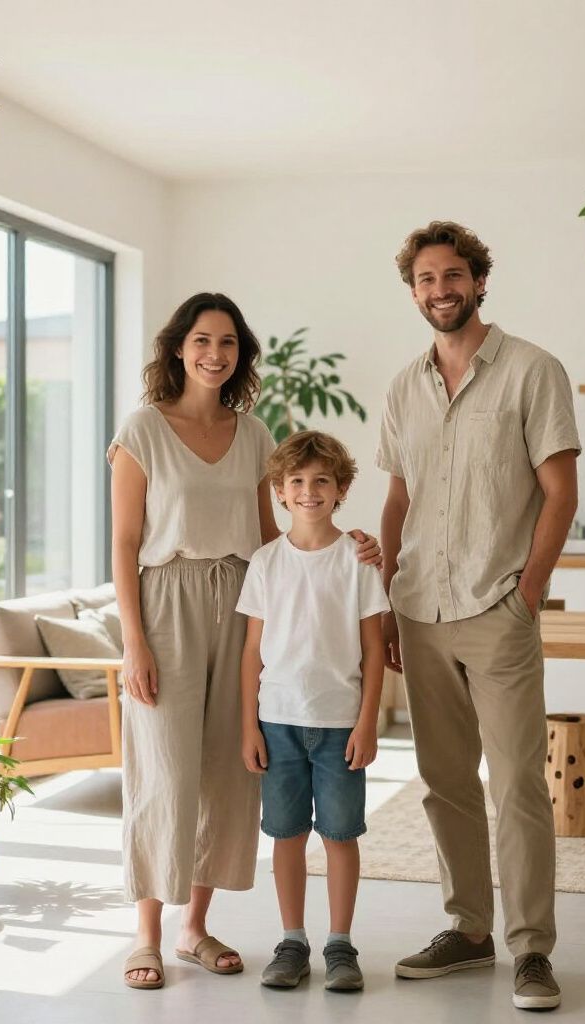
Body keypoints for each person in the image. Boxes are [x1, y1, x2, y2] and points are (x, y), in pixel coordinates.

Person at [110, 294, 379, 989]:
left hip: (242, 600)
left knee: (228, 776)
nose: (214, 353)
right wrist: (133, 642)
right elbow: (124, 542)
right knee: (163, 770)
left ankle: (194, 927)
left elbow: (277, 539)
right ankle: (145, 935)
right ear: (178, 347)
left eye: (227, 343)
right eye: (202, 340)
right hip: (164, 601)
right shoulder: (142, 428)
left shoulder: (256, 434)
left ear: (240, 355)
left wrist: (342, 554)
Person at [377, 222, 580, 1011]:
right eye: (425, 279)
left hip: (498, 608)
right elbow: (398, 498)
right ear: (414, 290)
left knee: (519, 784)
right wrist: (387, 600)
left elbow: (559, 493)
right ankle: (468, 931)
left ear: (479, 280)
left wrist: (527, 592)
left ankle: (532, 951)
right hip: (419, 609)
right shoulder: (403, 387)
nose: (440, 290)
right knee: (445, 781)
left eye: (452, 275)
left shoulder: (532, 371)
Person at [238, 431, 388, 992]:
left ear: (341, 489)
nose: (308, 491)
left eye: (321, 480)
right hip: (276, 722)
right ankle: (292, 941)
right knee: (286, 835)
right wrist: (248, 724)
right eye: (296, 482)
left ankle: (341, 945)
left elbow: (374, 647)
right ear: (279, 491)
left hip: (340, 724)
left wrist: (368, 721)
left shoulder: (357, 558)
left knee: (341, 835)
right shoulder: (266, 562)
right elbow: (252, 651)